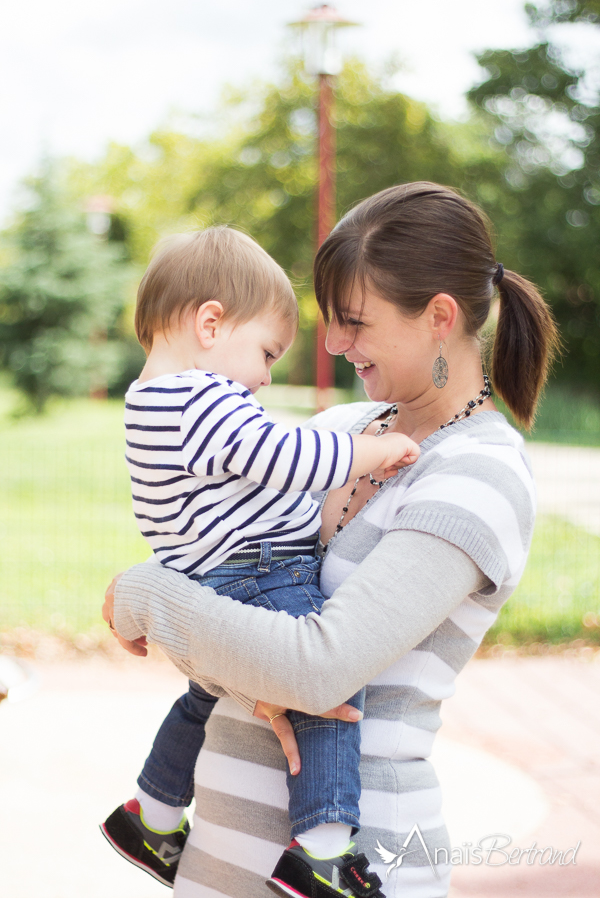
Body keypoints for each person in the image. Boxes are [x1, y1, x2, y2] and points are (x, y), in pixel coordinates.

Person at [104, 182, 559, 898]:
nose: (335, 344)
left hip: (358, 861)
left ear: (439, 317)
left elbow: (318, 671)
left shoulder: (478, 474)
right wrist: (244, 671)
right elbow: (234, 609)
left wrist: (143, 594)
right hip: (220, 857)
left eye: (354, 321)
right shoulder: (339, 433)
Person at [99, 226, 420, 891]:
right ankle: (323, 851)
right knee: (329, 687)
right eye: (267, 353)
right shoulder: (204, 398)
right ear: (211, 324)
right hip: (263, 569)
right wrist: (376, 452)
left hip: (208, 571)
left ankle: (153, 817)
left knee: (208, 691)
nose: (266, 378)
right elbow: (289, 458)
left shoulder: (146, 400)